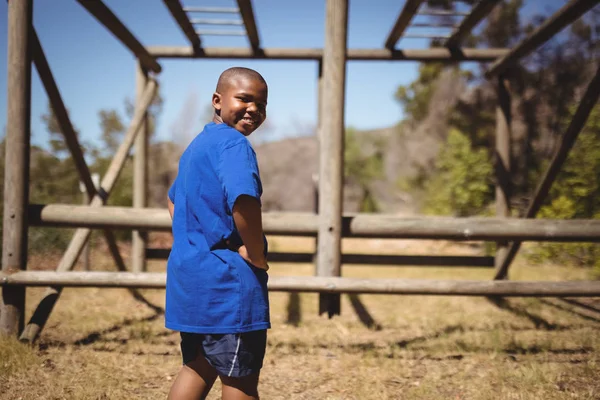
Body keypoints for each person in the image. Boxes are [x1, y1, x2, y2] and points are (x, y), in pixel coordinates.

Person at [166, 67, 270, 400]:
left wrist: (194, 239)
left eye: (261, 103)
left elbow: (172, 200)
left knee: (198, 366)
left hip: (192, 280)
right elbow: (243, 200)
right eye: (244, 99)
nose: (253, 109)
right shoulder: (233, 144)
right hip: (228, 285)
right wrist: (255, 255)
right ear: (217, 100)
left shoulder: (198, 146)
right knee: (240, 382)